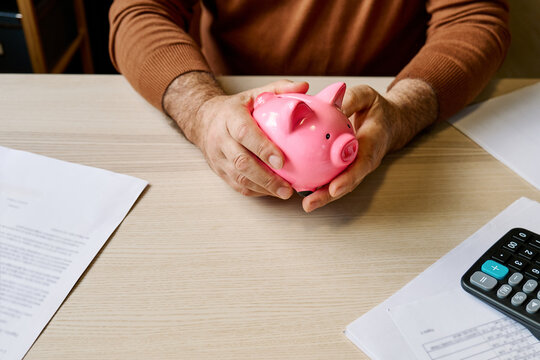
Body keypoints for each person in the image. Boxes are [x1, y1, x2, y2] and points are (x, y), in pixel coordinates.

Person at [109, 0, 510, 212]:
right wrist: (200, 110)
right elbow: (139, 9)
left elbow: (474, 17)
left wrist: (404, 110)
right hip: (235, 100)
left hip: (387, 108)